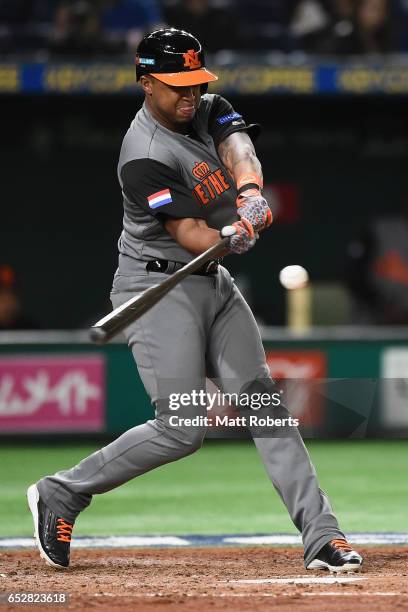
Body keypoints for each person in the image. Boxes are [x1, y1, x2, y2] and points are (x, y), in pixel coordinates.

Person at [27, 28, 362, 574]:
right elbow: (190, 234)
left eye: (195, 83)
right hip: (157, 288)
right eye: (176, 85)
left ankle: (322, 535)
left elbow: (238, 145)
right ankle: (63, 492)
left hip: (212, 285)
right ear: (145, 82)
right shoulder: (143, 156)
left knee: (264, 406)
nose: (189, 95)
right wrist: (233, 235)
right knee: (182, 427)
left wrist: (250, 195)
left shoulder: (203, 108)